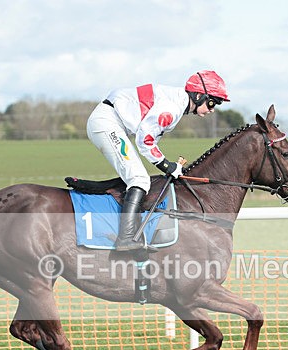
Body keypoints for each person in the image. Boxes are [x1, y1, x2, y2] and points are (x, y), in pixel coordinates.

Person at [86, 70, 230, 250]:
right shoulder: (172, 109)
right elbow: (144, 141)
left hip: (112, 122)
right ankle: (126, 238)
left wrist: (166, 165)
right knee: (139, 179)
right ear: (199, 95)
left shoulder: (177, 102)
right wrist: (167, 166)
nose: (212, 109)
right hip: (107, 123)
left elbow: (149, 141)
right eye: (212, 103)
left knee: (137, 176)